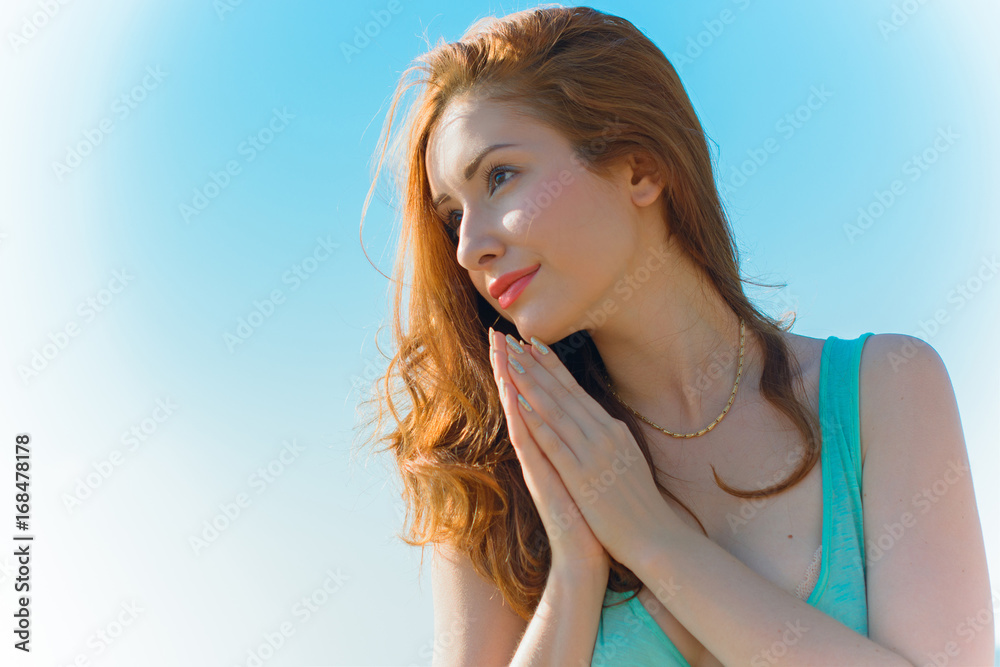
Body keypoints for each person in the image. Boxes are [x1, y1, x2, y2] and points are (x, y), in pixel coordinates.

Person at [357, 5, 993, 666]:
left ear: (640, 168)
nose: (467, 248)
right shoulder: (498, 472)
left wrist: (651, 537)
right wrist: (576, 567)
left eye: (500, 176)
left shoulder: (884, 389)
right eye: (453, 215)